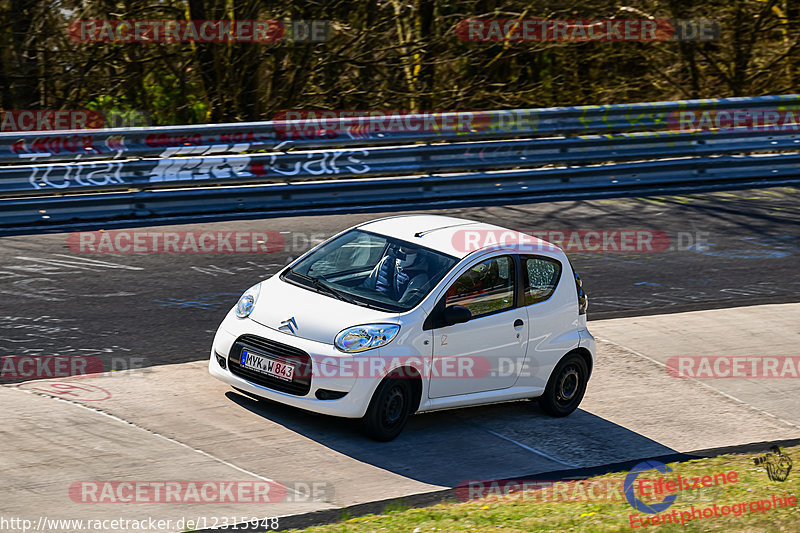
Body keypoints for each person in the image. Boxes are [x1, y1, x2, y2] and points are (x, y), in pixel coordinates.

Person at [364, 244, 430, 303]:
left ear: (419, 255)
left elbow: (404, 304)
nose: (405, 254)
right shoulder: (387, 261)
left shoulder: (420, 278)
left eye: (410, 252)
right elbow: (367, 285)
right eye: (403, 250)